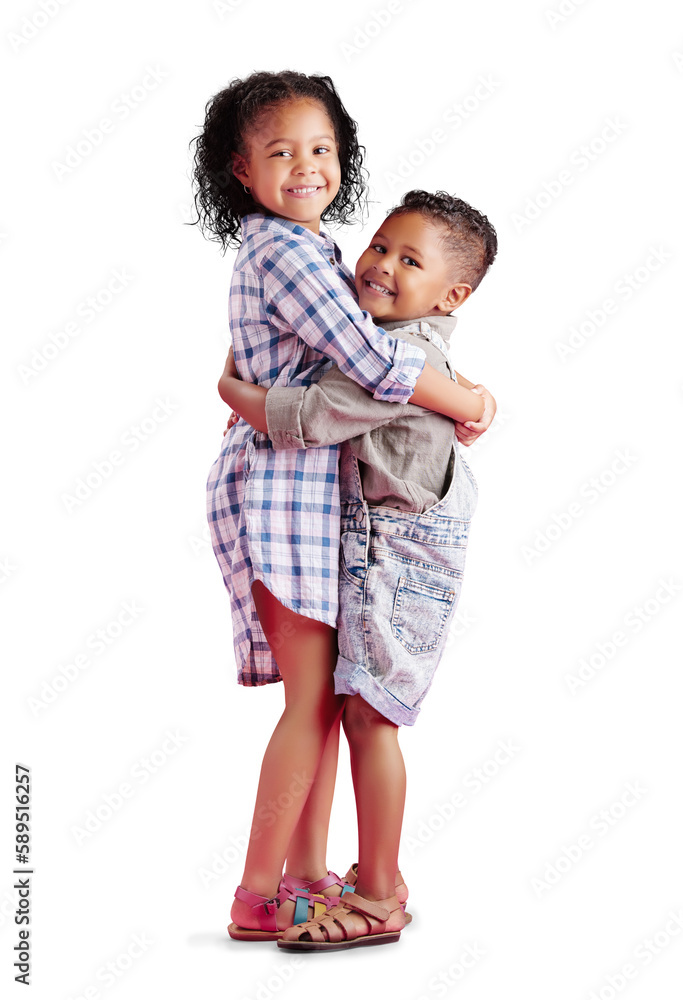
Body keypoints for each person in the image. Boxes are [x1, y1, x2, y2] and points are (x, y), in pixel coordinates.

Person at [191, 69, 486, 943]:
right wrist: (466, 402)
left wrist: (450, 387)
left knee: (316, 702)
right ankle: (259, 892)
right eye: (280, 152)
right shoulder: (286, 250)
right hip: (286, 497)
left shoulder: (305, 247)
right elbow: (371, 364)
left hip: (310, 501)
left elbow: (369, 360)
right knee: (312, 704)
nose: (307, 166)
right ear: (241, 171)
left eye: (321, 148)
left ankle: (307, 876)